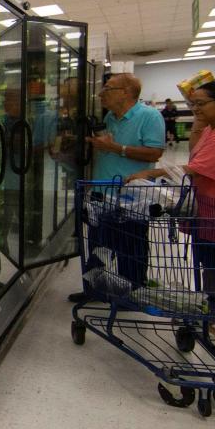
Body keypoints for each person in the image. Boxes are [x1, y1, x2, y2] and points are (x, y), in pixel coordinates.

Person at [127, 81, 215, 341]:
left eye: (201, 104)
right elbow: (194, 152)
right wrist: (200, 120)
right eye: (193, 104)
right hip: (213, 207)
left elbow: (198, 168)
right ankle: (214, 316)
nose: (195, 109)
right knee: (212, 266)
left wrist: (150, 172)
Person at [69, 73, 166, 302]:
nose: (102, 94)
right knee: (98, 243)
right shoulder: (110, 118)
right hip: (102, 192)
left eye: (108, 88)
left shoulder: (149, 116)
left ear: (126, 92)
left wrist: (116, 148)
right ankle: (95, 289)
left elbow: (155, 152)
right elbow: (107, 149)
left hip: (132, 197)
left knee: (131, 246)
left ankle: (131, 293)